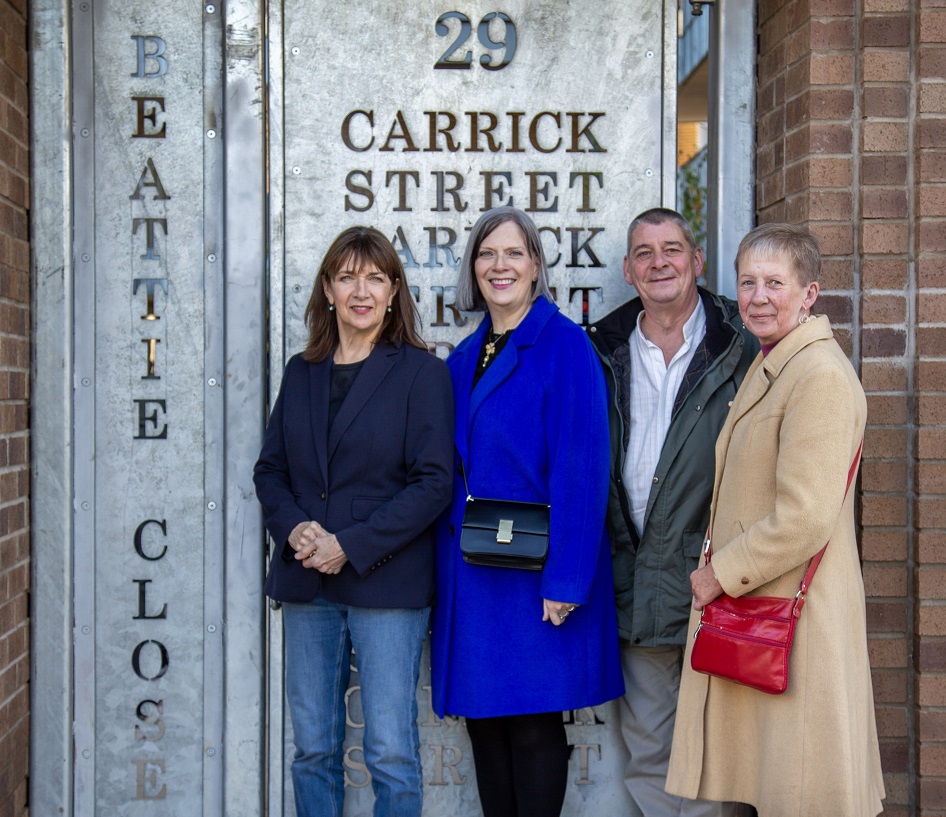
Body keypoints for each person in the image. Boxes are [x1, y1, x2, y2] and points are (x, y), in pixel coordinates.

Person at [666, 223, 886, 816]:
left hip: (794, 623)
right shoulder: (779, 363)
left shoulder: (817, 375)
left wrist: (720, 573)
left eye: (775, 284)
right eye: (747, 282)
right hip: (769, 615)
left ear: (810, 293)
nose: (758, 296)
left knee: (802, 796)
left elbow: (805, 515)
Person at [430, 206, 624, 817]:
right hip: (474, 572)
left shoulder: (565, 346)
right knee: (484, 725)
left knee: (535, 725)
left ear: (537, 266)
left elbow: (583, 467)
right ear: (473, 269)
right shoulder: (463, 357)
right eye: (487, 254)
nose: (500, 266)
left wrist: (566, 579)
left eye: (514, 253)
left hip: (536, 571)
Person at [253, 226, 454, 817]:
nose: (360, 290)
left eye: (374, 277)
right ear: (328, 288)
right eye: (347, 277)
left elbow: (434, 483)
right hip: (306, 583)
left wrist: (350, 544)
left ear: (394, 290)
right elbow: (271, 470)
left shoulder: (422, 373)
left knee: (390, 750)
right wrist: (294, 529)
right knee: (312, 748)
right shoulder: (302, 371)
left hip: (386, 585)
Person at [588, 207, 757, 817]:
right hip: (636, 586)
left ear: (697, 261)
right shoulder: (599, 350)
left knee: (723, 759)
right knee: (650, 754)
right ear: (629, 272)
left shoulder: (742, 345)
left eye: (672, 249)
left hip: (723, 585)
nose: (659, 262)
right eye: (644, 253)